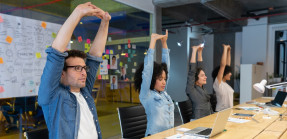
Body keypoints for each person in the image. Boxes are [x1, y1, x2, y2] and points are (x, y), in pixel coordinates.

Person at [38, 2, 111, 139]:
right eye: (77, 68)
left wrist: (105, 22)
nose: (84, 73)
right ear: (61, 73)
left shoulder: (84, 92)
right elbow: (55, 53)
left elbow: (95, 56)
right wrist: (78, 13)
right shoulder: (52, 96)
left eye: (84, 68)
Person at [134, 30, 174, 136]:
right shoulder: (147, 95)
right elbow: (147, 73)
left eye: (164, 79)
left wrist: (164, 43)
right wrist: (152, 42)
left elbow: (167, 68)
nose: (164, 82)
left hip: (169, 135)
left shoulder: (164, 93)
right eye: (160, 79)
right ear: (152, 79)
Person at [186, 44, 213, 119]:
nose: (205, 77)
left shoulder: (202, 88)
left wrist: (200, 52)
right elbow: (192, 72)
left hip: (208, 119)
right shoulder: (191, 89)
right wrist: (194, 51)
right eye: (202, 76)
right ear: (195, 79)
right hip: (197, 122)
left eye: (204, 75)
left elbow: (201, 68)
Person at [212, 44, 234, 111]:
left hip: (228, 112)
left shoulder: (225, 84)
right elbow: (223, 66)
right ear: (223, 73)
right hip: (220, 112)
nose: (231, 74)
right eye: (229, 73)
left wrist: (229, 51)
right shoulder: (218, 83)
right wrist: (225, 49)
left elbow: (227, 66)